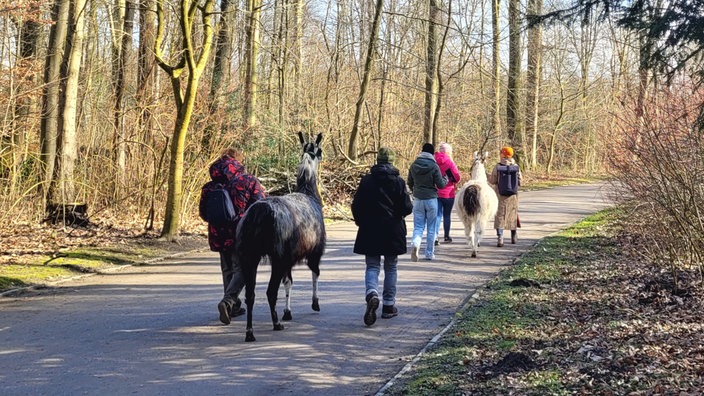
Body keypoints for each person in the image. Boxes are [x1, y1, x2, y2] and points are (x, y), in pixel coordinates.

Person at [199, 148, 266, 324]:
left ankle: (234, 306)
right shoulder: (248, 181)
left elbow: (203, 213)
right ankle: (228, 301)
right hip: (242, 233)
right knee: (244, 269)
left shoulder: (209, 186)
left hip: (218, 234)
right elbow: (260, 206)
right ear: (238, 161)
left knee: (227, 269)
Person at [352, 147, 413, 325]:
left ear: (377, 161)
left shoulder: (367, 181)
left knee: (372, 265)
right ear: (392, 161)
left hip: (370, 229)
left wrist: (360, 220)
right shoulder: (399, 182)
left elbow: (356, 205)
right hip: (393, 229)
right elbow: (407, 208)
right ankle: (388, 306)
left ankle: (372, 294)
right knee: (391, 266)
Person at [407, 143, 448, 261]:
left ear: (422, 151)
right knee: (431, 227)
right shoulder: (434, 166)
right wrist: (445, 179)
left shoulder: (414, 165)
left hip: (418, 199)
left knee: (418, 226)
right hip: (431, 199)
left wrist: (415, 189)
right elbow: (440, 184)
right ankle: (429, 253)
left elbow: (409, 182)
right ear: (432, 153)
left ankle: (416, 243)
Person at [488, 146, 522, 247]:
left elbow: (493, 180)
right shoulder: (516, 166)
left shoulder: (498, 166)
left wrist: (486, 175)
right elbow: (520, 181)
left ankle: (500, 237)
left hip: (500, 195)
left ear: (503, 154)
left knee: (500, 215)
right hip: (513, 195)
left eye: (501, 153)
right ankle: (513, 236)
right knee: (512, 213)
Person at [434, 142, 462, 245]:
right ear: (448, 152)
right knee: (446, 215)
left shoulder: (433, 160)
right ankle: (446, 236)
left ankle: (435, 236)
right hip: (448, 194)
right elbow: (456, 178)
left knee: (437, 215)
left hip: (436, 192)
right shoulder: (450, 162)